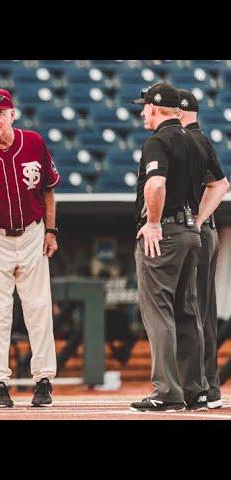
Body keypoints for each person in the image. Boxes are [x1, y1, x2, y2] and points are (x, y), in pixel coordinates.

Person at [129, 82, 222, 412]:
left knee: (160, 313)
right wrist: (196, 220)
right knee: (187, 312)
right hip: (190, 233)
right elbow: (218, 184)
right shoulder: (195, 140)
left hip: (164, 233)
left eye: (145, 107)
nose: (142, 112)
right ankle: (195, 390)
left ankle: (167, 391)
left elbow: (156, 183)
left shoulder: (158, 140)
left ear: (155, 108)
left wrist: (153, 223)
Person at [0, 88, 60, 408]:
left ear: (11, 114)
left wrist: (51, 230)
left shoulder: (33, 142)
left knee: (39, 307)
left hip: (33, 232)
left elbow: (48, 189)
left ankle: (44, 379)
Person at [178, 88, 229, 409]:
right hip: (201, 233)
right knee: (201, 312)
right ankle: (206, 384)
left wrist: (197, 220)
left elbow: (222, 184)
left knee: (194, 311)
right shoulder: (196, 140)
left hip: (196, 232)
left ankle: (203, 385)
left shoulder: (190, 141)